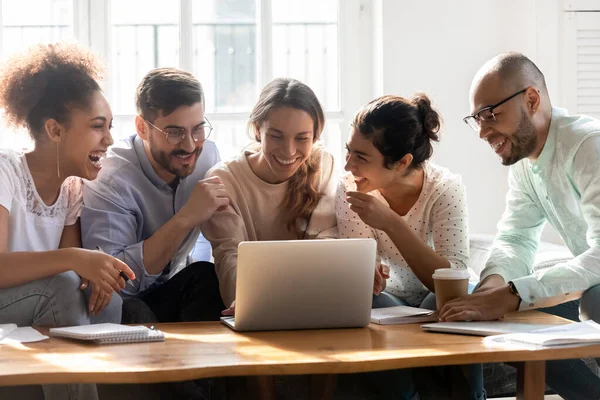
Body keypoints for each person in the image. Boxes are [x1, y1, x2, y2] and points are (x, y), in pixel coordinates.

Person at [441, 51, 600, 399]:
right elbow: (516, 237)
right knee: (512, 324)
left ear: (531, 99)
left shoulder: (589, 146)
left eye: (491, 115)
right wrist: (490, 289)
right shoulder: (526, 163)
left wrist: (513, 294)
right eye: (476, 119)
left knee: (594, 299)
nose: (482, 132)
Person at [0, 42, 134, 400]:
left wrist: (92, 277)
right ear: (55, 131)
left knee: (109, 299)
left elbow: (72, 273)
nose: (108, 139)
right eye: (97, 127)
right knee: (61, 285)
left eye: (110, 127)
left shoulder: (72, 188)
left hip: (34, 303)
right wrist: (76, 261)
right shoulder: (5, 171)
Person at [337, 94, 484, 400]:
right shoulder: (351, 187)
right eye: (348, 152)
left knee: (455, 299)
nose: (349, 165)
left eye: (361, 157)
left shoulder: (444, 188)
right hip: (389, 301)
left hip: (440, 296)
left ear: (402, 161)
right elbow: (357, 261)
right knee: (365, 301)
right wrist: (366, 272)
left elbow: (452, 278)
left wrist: (391, 223)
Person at [81, 67, 227, 325]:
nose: (190, 144)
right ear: (142, 128)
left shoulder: (208, 158)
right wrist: (185, 219)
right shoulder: (110, 179)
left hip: (173, 291)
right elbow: (115, 284)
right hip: (119, 308)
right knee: (134, 310)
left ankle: (207, 363)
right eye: (174, 132)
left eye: (198, 129)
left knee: (207, 275)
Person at [202, 77, 337, 310]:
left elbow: (325, 242)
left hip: (311, 300)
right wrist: (242, 298)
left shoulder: (323, 165)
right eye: (276, 136)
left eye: (302, 138)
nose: (289, 151)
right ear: (257, 129)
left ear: (315, 136)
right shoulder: (223, 180)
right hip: (254, 301)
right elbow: (229, 253)